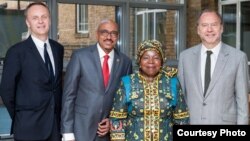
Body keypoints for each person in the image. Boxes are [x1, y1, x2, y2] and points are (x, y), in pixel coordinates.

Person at [0, 2, 64, 141]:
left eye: (44, 17)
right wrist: (21, 117)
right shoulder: (16, 52)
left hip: (55, 128)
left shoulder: (58, 49)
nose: (40, 21)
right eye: (35, 18)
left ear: (50, 20)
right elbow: (6, 91)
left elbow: (56, 88)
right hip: (28, 127)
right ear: (28, 22)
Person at [61, 19, 133, 141]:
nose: (109, 37)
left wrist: (112, 121)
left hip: (108, 132)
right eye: (104, 32)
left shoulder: (125, 62)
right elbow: (69, 95)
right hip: (80, 129)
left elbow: (125, 100)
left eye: (113, 33)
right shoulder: (80, 56)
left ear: (117, 37)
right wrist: (67, 132)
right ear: (97, 34)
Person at [178, 9, 249, 124]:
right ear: (198, 30)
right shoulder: (185, 57)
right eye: (204, 25)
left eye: (214, 25)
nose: (209, 29)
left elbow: (243, 104)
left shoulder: (238, 58)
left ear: (221, 28)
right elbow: (180, 99)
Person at [109, 40, 189, 141]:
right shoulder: (127, 82)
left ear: (162, 61)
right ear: (139, 61)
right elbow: (117, 119)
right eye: (146, 57)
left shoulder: (172, 82)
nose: (151, 62)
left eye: (156, 58)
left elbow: (182, 119)